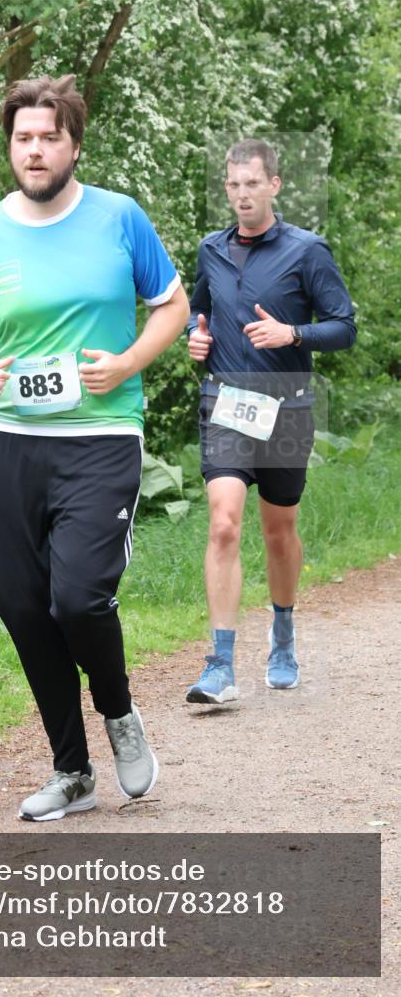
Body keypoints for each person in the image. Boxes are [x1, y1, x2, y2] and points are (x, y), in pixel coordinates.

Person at [0, 75, 189, 820]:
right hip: (10, 439)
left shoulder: (119, 218)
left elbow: (171, 304)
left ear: (73, 144)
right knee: (22, 606)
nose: (35, 150)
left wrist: (129, 362)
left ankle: (119, 714)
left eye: (49, 137)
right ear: (10, 147)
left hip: (100, 436)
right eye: (23, 138)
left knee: (75, 597)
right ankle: (71, 773)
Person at [185, 138, 356, 704]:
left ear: (275, 185)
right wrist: (196, 334)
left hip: (286, 406)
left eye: (251, 184)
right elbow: (197, 307)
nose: (241, 195)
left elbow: (344, 327)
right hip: (226, 404)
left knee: (278, 532)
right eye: (233, 185)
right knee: (224, 523)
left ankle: (282, 635)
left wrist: (293, 334)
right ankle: (220, 663)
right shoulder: (211, 249)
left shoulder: (308, 251)